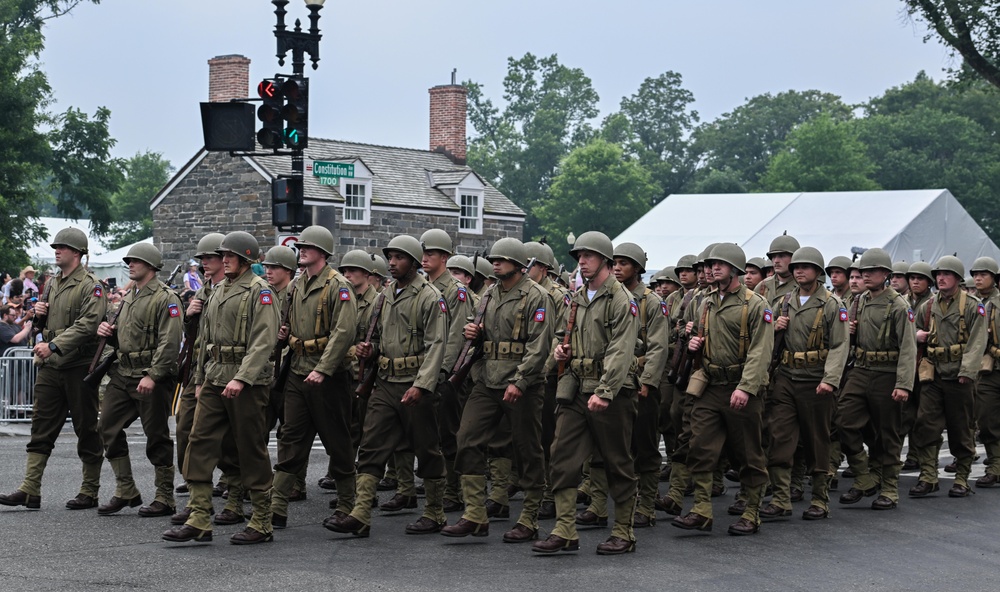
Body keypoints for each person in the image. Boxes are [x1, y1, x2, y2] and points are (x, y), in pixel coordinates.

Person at [325, 234, 449, 537]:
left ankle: (435, 512)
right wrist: (371, 350)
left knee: (427, 448)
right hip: (385, 382)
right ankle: (361, 513)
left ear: (414, 262)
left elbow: (437, 346)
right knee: (370, 447)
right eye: (390, 257)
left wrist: (422, 386)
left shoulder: (430, 297)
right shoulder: (386, 295)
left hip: (415, 384)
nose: (392, 263)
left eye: (399, 258)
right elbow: (377, 335)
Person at [162, 231, 279, 545]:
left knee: (250, 447)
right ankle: (200, 517)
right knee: (199, 443)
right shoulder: (215, 291)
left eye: (229, 255)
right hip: (214, 376)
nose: (222, 260)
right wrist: (200, 380)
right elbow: (204, 343)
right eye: (221, 255)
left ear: (245, 257)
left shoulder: (260, 291)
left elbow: (264, 341)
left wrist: (242, 378)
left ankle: (262, 520)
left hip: (247, 381)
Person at [534, 231, 639, 555]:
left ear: (605, 260)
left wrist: (606, 392)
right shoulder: (577, 297)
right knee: (562, 457)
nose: (581, 261)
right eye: (579, 256)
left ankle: (624, 531)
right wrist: (559, 353)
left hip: (611, 394)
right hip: (577, 390)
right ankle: (565, 530)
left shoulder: (622, 300)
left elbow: (622, 351)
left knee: (617, 462)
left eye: (588, 256)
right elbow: (561, 335)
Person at [441, 238, 552, 542]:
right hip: (488, 379)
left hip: (522, 384)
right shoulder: (488, 295)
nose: (496, 263)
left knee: (528, 449)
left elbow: (539, 346)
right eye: (494, 259)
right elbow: (482, 336)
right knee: (467, 437)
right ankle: (475, 514)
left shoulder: (537, 296)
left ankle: (529, 518)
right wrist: (474, 333)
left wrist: (521, 381)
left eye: (501, 259)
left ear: (517, 263)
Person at [0, 228, 107, 511]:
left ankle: (89, 489)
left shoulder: (92, 285)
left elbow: (89, 324)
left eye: (62, 246)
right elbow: (41, 322)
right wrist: (38, 318)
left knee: (86, 427)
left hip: (78, 365)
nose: (57, 250)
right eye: (56, 246)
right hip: (51, 365)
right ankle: (30, 489)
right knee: (41, 426)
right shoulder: (52, 284)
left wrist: (55, 345)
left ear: (77, 252)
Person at [671, 243, 773, 536]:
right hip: (711, 384)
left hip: (741, 387)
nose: (713, 268)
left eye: (720, 264)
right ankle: (701, 509)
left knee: (748, 452)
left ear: (735, 269)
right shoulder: (706, 303)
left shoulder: (755, 304)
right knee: (699, 445)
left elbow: (760, 351)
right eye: (711, 264)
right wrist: (694, 344)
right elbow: (700, 337)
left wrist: (746, 388)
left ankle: (752, 512)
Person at [269, 227, 358, 529]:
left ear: (323, 252)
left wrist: (324, 368)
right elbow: (286, 321)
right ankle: (276, 506)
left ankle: (348, 506)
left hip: (329, 376)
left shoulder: (338, 286)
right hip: (297, 370)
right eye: (301, 247)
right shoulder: (296, 286)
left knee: (337, 440)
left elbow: (344, 332)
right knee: (290, 437)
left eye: (308, 247)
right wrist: (284, 336)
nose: (302, 250)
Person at [761, 247, 849, 521]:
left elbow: (840, 345)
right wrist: (775, 325)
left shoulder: (832, 304)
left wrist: (830, 380)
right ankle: (780, 498)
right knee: (780, 437)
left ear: (818, 272)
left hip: (816, 379)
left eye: (806, 267)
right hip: (786, 377)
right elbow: (764, 337)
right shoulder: (784, 302)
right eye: (796, 266)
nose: (799, 271)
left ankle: (820, 499)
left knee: (817, 440)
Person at [95, 243, 182, 518]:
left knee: (156, 435)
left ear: (151, 266)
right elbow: (124, 337)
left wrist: (154, 375)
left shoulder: (166, 298)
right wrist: (107, 331)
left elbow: (171, 342)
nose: (130, 264)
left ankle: (164, 496)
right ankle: (126, 490)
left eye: (136, 261)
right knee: (107, 426)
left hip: (150, 375)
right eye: (129, 260)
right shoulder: (129, 296)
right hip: (124, 373)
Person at [837, 248, 916, 511]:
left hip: (888, 373)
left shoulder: (898, 305)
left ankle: (890, 489)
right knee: (843, 422)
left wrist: (904, 384)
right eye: (862, 272)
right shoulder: (857, 301)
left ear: (885, 274)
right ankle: (864, 477)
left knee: (888, 433)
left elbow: (908, 348)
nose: (865, 276)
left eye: (870, 272)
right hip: (860, 370)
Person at [909, 256, 985, 499]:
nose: (941, 278)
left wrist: (967, 371)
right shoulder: (928, 306)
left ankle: (962, 478)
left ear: (958, 278)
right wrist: (916, 335)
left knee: (961, 428)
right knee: (926, 424)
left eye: (947, 274)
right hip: (934, 375)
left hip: (959, 376)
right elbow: (914, 331)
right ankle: (929, 477)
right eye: (938, 274)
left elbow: (977, 341)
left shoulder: (973, 305)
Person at [170, 232, 224, 517]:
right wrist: (190, 315)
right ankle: (196, 496)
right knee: (184, 427)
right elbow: (190, 336)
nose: (204, 262)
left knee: (230, 438)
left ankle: (236, 491)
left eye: (210, 257)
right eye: (202, 258)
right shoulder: (203, 289)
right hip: (196, 369)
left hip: (224, 370)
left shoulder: (236, 289)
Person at [972, 257, 1000, 488]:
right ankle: (995, 465)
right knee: (987, 418)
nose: (978, 278)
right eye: (975, 274)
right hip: (988, 370)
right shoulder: (971, 303)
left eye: (983, 274)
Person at [755, 234, 800, 301]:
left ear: (794, 258)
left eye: (781, 256)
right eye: (773, 257)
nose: (776, 261)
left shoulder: (802, 286)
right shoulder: (763, 286)